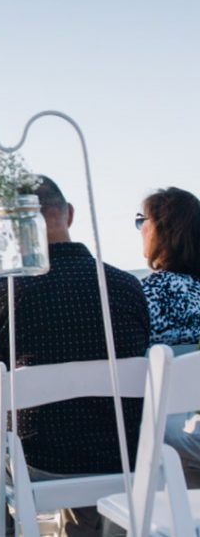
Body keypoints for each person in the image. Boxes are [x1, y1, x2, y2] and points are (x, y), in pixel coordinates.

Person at [0, 176, 149, 536]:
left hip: (38, 463)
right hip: (122, 454)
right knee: (87, 423)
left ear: (9, 231)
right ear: (69, 214)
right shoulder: (126, 287)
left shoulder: (2, 296)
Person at [135, 187, 200, 486]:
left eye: (141, 220)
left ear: (160, 231)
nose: (139, 230)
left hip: (165, 430)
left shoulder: (139, 296)